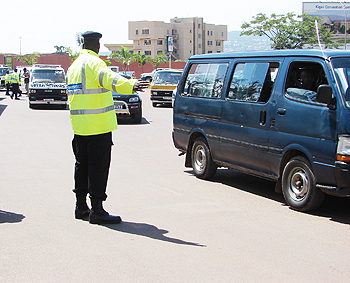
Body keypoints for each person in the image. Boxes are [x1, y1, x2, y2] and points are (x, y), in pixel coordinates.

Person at [66, 31, 149, 224]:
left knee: (82, 166)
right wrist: (131, 85)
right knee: (98, 168)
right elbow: (109, 79)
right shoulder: (94, 63)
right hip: (98, 127)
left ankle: (80, 206)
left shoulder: (74, 67)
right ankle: (97, 210)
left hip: (79, 127)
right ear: (97, 45)